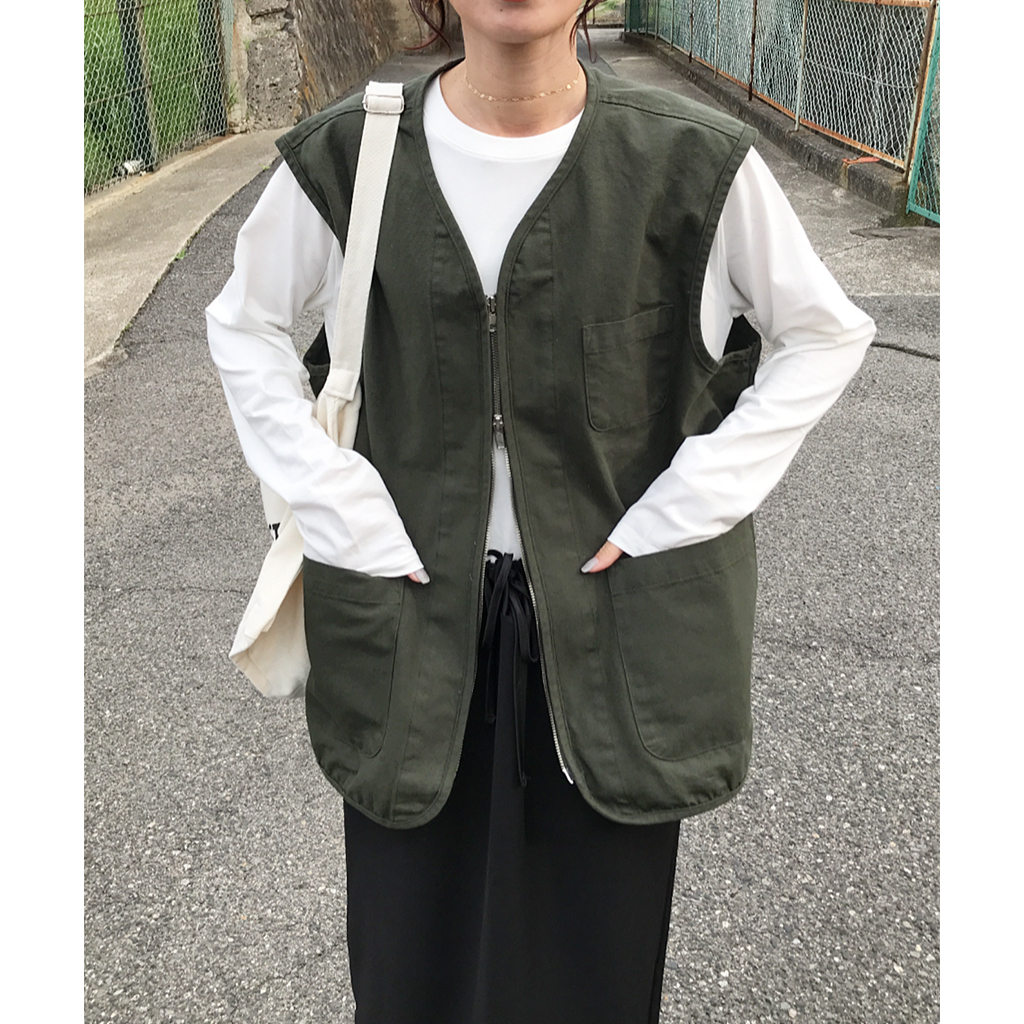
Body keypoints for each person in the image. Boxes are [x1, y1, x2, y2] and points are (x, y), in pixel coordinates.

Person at [207, 1, 876, 1021]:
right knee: (411, 967)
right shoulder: (349, 159)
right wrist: (339, 503)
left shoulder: (690, 164)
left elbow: (824, 332)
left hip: (611, 634)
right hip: (408, 629)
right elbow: (244, 325)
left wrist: (680, 507)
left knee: (589, 969)